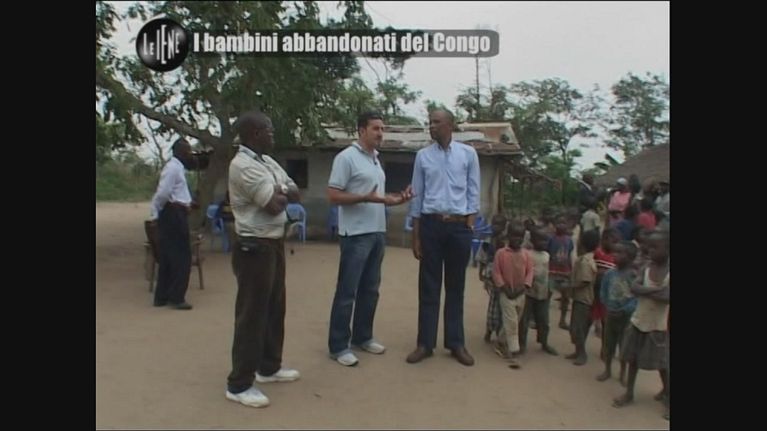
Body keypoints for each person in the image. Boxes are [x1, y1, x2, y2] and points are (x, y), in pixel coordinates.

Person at [225, 111, 301, 408]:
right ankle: (239, 384)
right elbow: (273, 206)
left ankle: (268, 367)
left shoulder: (267, 162)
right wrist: (281, 190)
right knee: (252, 314)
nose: (273, 134)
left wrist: (281, 189)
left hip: (273, 242)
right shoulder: (242, 165)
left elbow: (295, 192)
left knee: (275, 307)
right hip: (254, 247)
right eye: (269, 130)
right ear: (255, 133)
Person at [326, 111, 414, 367]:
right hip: (355, 235)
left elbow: (377, 197)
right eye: (376, 128)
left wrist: (395, 200)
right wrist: (364, 197)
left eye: (382, 129)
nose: (381, 133)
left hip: (376, 232)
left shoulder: (376, 159)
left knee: (371, 290)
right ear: (361, 130)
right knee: (347, 291)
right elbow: (333, 195)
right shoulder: (346, 158)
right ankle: (338, 346)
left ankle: (362, 337)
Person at [406, 109, 481, 367]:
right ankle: (425, 344)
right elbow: (416, 196)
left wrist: (469, 225)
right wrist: (416, 236)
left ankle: (456, 343)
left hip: (459, 228)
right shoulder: (423, 156)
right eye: (430, 122)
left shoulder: (468, 154)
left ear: (450, 125)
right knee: (428, 286)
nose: (432, 126)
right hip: (431, 226)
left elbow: (473, 191)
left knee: (456, 287)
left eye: (436, 122)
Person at [613, 230, 670, 421]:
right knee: (633, 359)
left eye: (655, 247)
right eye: (649, 247)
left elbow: (666, 297)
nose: (650, 251)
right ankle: (629, 393)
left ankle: (667, 395)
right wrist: (655, 290)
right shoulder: (646, 267)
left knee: (662, 365)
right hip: (639, 321)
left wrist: (645, 291)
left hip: (658, 326)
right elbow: (634, 287)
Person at [149, 137, 196, 310]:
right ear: (180, 152)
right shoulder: (173, 168)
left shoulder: (177, 168)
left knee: (168, 256)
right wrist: (159, 211)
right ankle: (176, 297)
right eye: (187, 150)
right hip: (173, 215)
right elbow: (163, 193)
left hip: (174, 212)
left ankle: (162, 297)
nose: (190, 154)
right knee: (181, 257)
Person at [596, 241, 638, 385]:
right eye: (615, 252)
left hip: (626, 317)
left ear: (630, 257)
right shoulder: (609, 274)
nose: (615, 255)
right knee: (609, 344)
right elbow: (603, 291)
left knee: (624, 346)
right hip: (610, 314)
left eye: (620, 252)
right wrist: (607, 306)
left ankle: (622, 372)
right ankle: (607, 370)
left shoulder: (633, 276)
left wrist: (625, 310)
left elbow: (636, 298)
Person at [519, 227, 559, 356]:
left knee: (543, 320)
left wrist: (550, 288)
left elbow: (549, 274)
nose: (543, 243)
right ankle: (522, 344)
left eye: (545, 240)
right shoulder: (527, 254)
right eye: (540, 240)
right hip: (528, 292)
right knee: (523, 320)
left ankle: (544, 342)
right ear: (532, 240)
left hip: (543, 292)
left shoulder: (547, 256)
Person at [565, 229, 599, 366]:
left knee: (577, 327)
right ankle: (578, 351)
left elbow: (585, 280)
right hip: (583, 298)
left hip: (583, 299)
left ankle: (582, 353)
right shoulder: (590, 258)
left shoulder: (584, 261)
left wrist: (570, 286)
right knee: (579, 327)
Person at [476, 214, 508, 344]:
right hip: (491, 276)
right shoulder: (487, 241)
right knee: (493, 304)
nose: (496, 227)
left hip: (505, 276)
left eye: (499, 224)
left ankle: (499, 331)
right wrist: (481, 273)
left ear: (504, 226)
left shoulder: (507, 243)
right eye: (494, 224)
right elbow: (482, 258)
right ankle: (489, 330)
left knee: (502, 305)